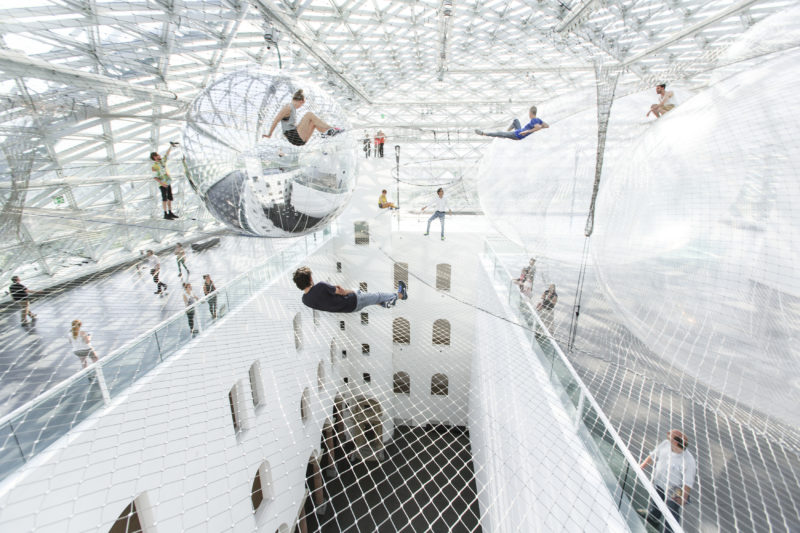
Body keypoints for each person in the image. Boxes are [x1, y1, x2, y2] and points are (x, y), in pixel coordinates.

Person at [639, 429, 696, 532]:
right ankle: (653, 516)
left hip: (674, 489)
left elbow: (688, 482)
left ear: (675, 442)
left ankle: (670, 530)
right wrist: (641, 467)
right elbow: (653, 456)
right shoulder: (665, 444)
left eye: (671, 436)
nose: (668, 436)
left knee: (671, 512)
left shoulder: (689, 461)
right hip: (659, 481)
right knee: (656, 500)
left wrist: (684, 497)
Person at [293, 266, 407, 313]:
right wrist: (352, 291)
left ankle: (384, 304)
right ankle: (400, 295)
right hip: (352, 300)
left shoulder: (305, 300)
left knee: (370, 299)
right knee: (377, 295)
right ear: (309, 278)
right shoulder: (320, 286)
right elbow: (341, 292)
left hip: (349, 309)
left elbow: (325, 300)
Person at [264, 89, 343, 147]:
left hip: (300, 139)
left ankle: (327, 134)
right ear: (300, 101)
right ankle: (331, 129)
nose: (300, 107)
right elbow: (276, 120)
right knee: (309, 114)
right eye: (301, 104)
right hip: (294, 136)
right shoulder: (287, 107)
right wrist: (269, 134)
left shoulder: (292, 108)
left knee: (313, 123)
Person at [475, 106, 549, 140]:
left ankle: (484, 133)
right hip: (519, 131)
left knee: (500, 133)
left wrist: (528, 131)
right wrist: (540, 126)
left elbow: (538, 127)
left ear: (530, 113)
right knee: (516, 121)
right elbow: (546, 126)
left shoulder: (534, 120)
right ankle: (506, 133)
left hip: (518, 135)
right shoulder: (538, 120)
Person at [150, 142, 179, 220]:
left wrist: (170, 147)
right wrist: (162, 183)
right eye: (157, 155)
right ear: (154, 157)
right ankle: (165, 214)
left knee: (170, 198)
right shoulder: (154, 166)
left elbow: (167, 154)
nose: (159, 156)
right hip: (162, 184)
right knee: (164, 199)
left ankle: (170, 212)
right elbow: (155, 177)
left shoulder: (162, 162)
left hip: (168, 182)